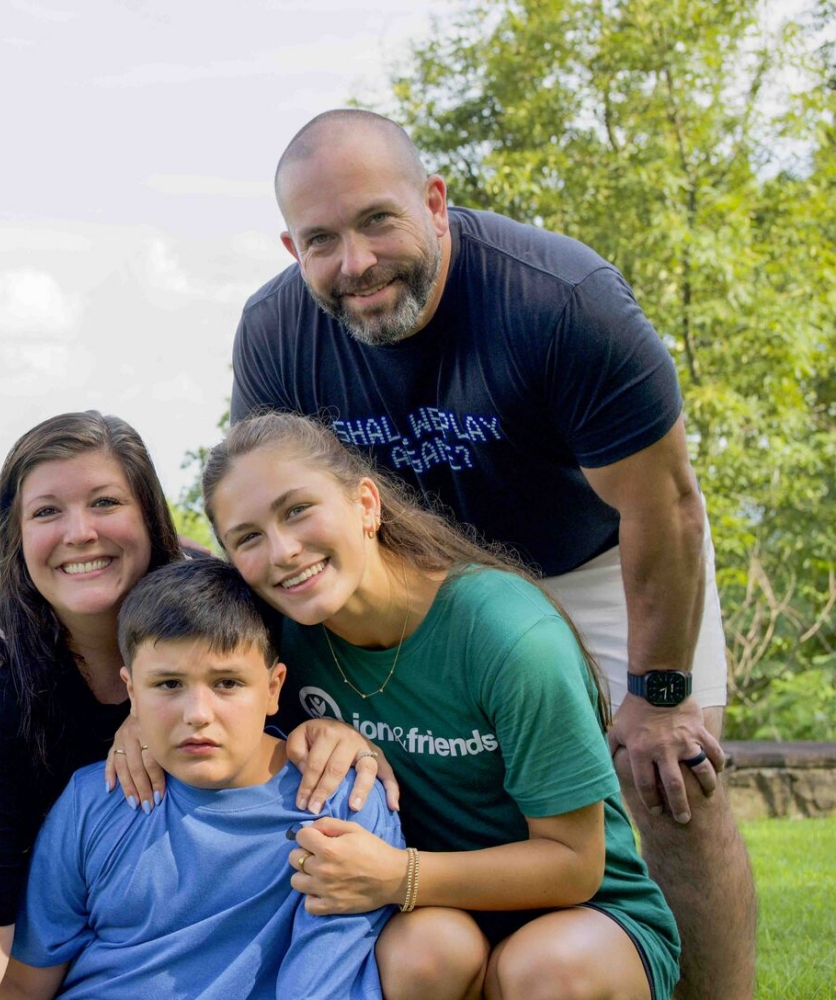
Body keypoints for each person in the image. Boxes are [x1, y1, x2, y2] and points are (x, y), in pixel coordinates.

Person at [230, 108, 754, 998]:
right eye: (322, 240)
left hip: (593, 558)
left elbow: (663, 508)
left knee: (674, 781)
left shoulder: (559, 299)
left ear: (434, 203)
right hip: (407, 578)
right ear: (292, 247)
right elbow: (262, 504)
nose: (355, 262)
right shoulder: (277, 334)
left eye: (377, 221)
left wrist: (662, 696)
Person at [0, 411, 385, 1000]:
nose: (80, 532)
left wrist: (333, 730)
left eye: (106, 502)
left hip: (150, 839)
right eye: (45, 511)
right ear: (15, 535)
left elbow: (264, 689)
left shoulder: (222, 596)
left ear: (150, 516)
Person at [202, 411, 682, 1000]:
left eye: (297, 509)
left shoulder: (508, 633)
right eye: (247, 537)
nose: (283, 550)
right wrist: (136, 732)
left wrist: (397, 875)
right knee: (422, 954)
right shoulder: (278, 638)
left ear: (366, 505)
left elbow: (575, 863)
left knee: (544, 972)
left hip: (583, 912)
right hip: (424, 913)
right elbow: (183, 686)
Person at [0, 558, 400, 1000]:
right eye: (169, 685)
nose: (198, 716)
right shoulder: (94, 799)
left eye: (227, 683)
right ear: (131, 692)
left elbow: (321, 987)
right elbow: (26, 982)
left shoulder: (344, 800)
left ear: (272, 688)